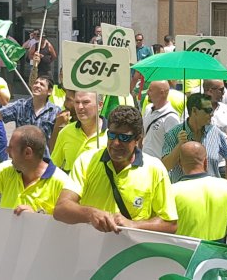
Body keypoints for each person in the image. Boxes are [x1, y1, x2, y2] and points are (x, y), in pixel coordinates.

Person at [53, 105, 177, 233]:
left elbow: (170, 224)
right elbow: (61, 209)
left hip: (129, 251)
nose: (116, 143)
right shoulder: (86, 160)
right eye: (111, 135)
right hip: (90, 247)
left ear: (137, 140)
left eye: (124, 138)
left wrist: (133, 225)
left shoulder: (154, 168)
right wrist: (91, 213)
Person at [172, 142, 227, 241]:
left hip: (185, 252)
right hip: (216, 253)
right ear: (206, 162)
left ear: (180, 163)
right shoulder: (226, 187)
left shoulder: (172, 191)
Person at [0, 75, 60, 153]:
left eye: (42, 84)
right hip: (21, 160)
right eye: (36, 83)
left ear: (49, 91)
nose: (37, 85)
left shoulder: (55, 112)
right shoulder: (20, 105)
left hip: (43, 162)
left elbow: (57, 141)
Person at [160, 92, 227, 183]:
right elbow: (165, 166)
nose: (212, 114)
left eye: (212, 110)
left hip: (210, 193)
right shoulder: (173, 134)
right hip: (184, 193)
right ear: (194, 111)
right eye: (208, 110)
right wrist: (179, 146)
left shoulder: (215, 132)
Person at [51, 90, 105, 172]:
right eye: (77, 102)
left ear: (100, 105)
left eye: (86, 102)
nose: (80, 107)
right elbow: (53, 168)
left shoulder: (111, 134)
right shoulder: (65, 132)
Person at [202, 79, 227, 181]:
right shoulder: (196, 109)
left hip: (222, 164)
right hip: (202, 165)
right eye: (221, 90)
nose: (224, 93)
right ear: (210, 90)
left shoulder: (226, 109)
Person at [142, 81, 180, 158]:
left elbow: (174, 147)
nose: (147, 93)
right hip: (144, 162)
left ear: (162, 93)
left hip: (159, 165)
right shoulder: (148, 108)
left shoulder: (171, 118)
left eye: (150, 90)